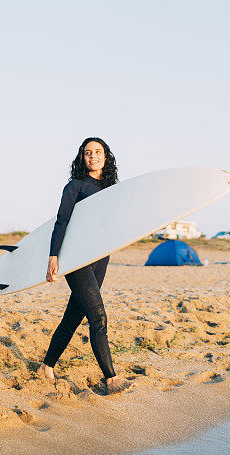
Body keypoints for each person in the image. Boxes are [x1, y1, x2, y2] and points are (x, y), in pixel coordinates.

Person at [37, 137, 132, 395]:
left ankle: (46, 366)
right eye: (88, 152)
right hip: (76, 257)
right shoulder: (75, 186)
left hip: (100, 257)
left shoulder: (112, 188)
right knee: (98, 317)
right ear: (82, 157)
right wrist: (53, 256)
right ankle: (111, 378)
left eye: (98, 152)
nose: (93, 156)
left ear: (106, 156)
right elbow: (61, 221)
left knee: (73, 316)